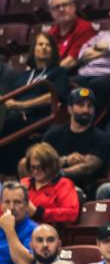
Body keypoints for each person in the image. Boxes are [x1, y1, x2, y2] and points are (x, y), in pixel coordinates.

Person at [0, 31, 69, 172]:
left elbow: (53, 96)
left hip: (38, 118)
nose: (44, 47)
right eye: (40, 44)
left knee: (8, 125)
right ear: (34, 49)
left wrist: (22, 105)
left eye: (48, 45)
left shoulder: (58, 72)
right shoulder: (24, 75)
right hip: (16, 115)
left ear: (53, 50)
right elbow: (12, 96)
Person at [37, 87, 110, 190]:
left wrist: (58, 173)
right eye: (80, 105)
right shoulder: (53, 134)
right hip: (48, 183)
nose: (86, 110)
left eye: (90, 106)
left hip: (80, 188)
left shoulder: (101, 137)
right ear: (69, 109)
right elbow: (39, 160)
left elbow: (87, 167)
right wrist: (66, 160)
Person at [20, 142, 79, 225]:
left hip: (48, 231)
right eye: (33, 167)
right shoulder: (24, 183)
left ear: (51, 165)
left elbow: (71, 214)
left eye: (40, 167)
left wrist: (38, 213)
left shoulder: (64, 184)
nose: (36, 171)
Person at [47, 0, 96, 71]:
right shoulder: (51, 33)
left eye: (65, 5)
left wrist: (46, 75)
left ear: (73, 7)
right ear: (51, 13)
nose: (61, 9)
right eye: (56, 7)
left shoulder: (85, 28)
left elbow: (71, 61)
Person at [0, 181, 37, 264]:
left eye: (17, 202)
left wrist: (9, 230)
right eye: (7, 202)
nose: (11, 207)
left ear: (27, 205)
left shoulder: (35, 231)